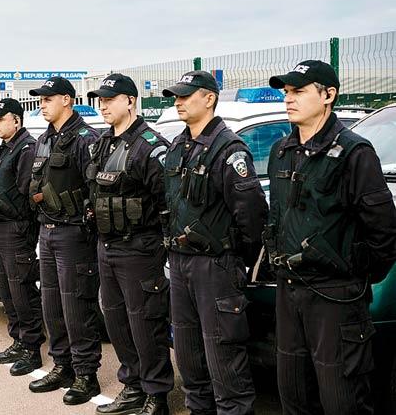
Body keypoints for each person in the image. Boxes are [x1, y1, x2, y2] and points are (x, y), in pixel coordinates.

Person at [266, 60, 396, 414]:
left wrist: (350, 274)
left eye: (299, 91)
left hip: (336, 298)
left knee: (343, 399)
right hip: (289, 291)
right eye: (287, 92)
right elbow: (277, 217)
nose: (288, 99)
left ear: (329, 95)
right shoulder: (282, 151)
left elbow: (384, 234)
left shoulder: (355, 153)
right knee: (293, 393)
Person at [162, 71, 267, 415]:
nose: (178, 101)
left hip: (215, 267)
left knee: (225, 362)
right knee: (190, 359)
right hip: (180, 264)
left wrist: (234, 261)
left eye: (185, 95)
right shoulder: (179, 145)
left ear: (208, 98)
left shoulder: (229, 149)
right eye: (176, 96)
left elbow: (252, 218)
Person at [86, 73, 174, 415]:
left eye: (110, 99)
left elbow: (167, 203)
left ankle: (157, 395)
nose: (103, 105)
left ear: (130, 101)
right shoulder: (103, 144)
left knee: (145, 322)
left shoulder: (151, 147)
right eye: (100, 100)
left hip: (140, 248)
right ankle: (133, 386)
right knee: (117, 321)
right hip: (107, 246)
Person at [27, 76, 103, 405]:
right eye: (40, 99)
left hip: (74, 234)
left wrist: (83, 219)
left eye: (47, 99)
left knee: (76, 305)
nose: (41, 104)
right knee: (52, 304)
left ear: (67, 100)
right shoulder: (44, 139)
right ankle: (63, 365)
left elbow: (96, 191)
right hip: (48, 231)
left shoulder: (87, 139)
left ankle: (87, 375)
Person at [0, 98, 45, 376]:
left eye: (0, 118)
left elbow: (26, 195)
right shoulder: (6, 147)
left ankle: (32, 349)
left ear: (16, 120)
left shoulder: (26, 148)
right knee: (7, 288)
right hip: (1, 227)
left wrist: (2, 207)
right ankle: (18, 340)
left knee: (22, 289)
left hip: (17, 229)